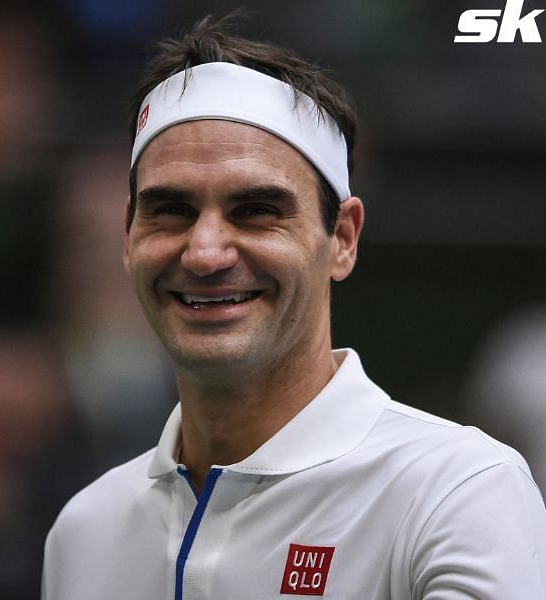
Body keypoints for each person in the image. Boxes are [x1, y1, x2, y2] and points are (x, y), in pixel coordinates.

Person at [42, 15, 546, 600]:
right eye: (171, 210)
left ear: (343, 238)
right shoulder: (82, 531)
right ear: (128, 238)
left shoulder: (459, 492)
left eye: (256, 210)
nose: (205, 252)